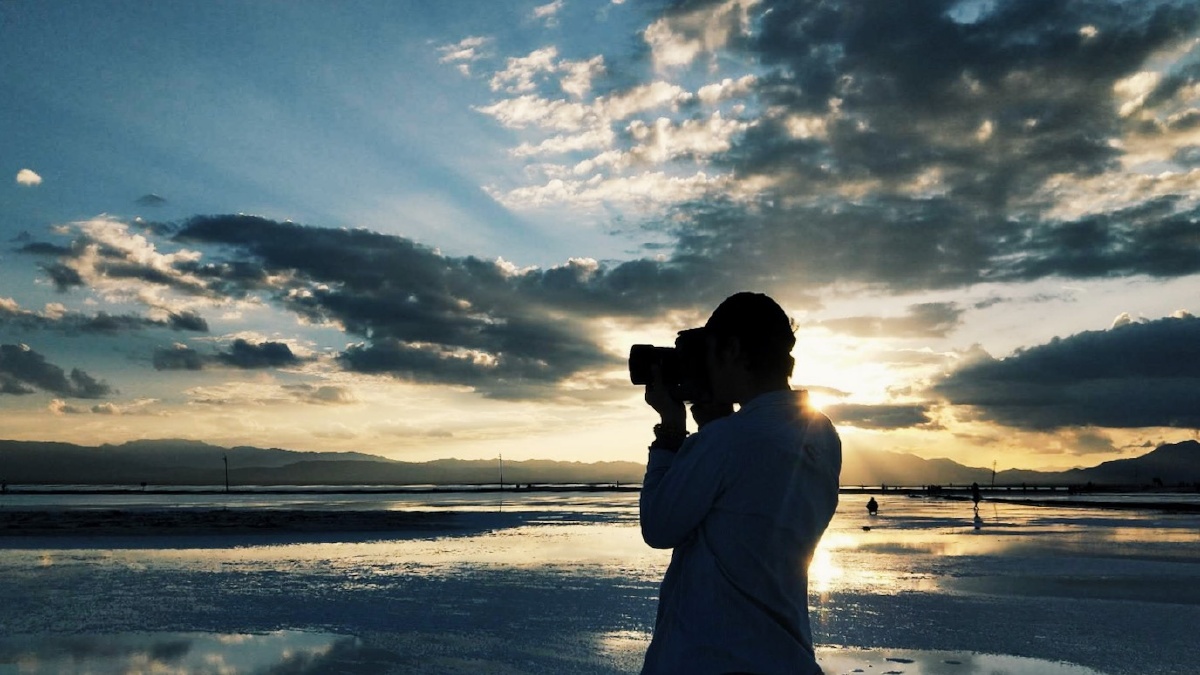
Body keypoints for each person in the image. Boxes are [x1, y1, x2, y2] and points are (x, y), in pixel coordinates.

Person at [639, 292, 842, 675]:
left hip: (709, 659)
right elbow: (750, 492)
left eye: (709, 351)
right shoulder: (822, 435)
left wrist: (670, 431)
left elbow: (658, 525)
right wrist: (715, 422)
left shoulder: (727, 441)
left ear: (732, 350)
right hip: (786, 656)